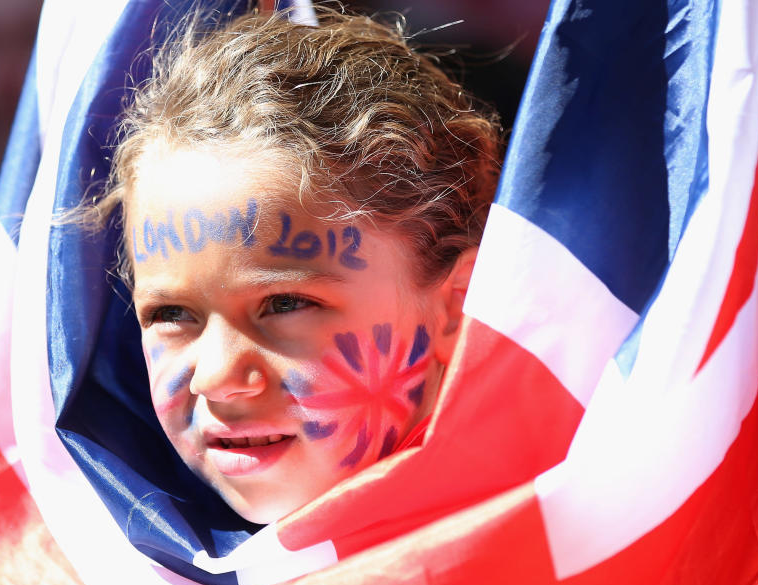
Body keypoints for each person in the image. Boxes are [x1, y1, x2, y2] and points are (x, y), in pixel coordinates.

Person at [73, 5, 502, 524]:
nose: (216, 377)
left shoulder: (579, 563)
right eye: (170, 314)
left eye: (284, 303)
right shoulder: (107, 582)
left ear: (457, 306)